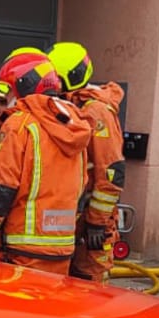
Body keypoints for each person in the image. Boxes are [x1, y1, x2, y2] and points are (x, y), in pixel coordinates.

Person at [0, 51, 91, 273]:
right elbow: (80, 190)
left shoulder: (18, 125)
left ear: (21, 87)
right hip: (61, 253)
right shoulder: (75, 125)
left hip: (19, 253)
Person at [48, 41, 126, 283]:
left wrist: (96, 223)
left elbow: (111, 173)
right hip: (74, 219)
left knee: (88, 290)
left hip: (92, 226)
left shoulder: (97, 111)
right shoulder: (73, 107)